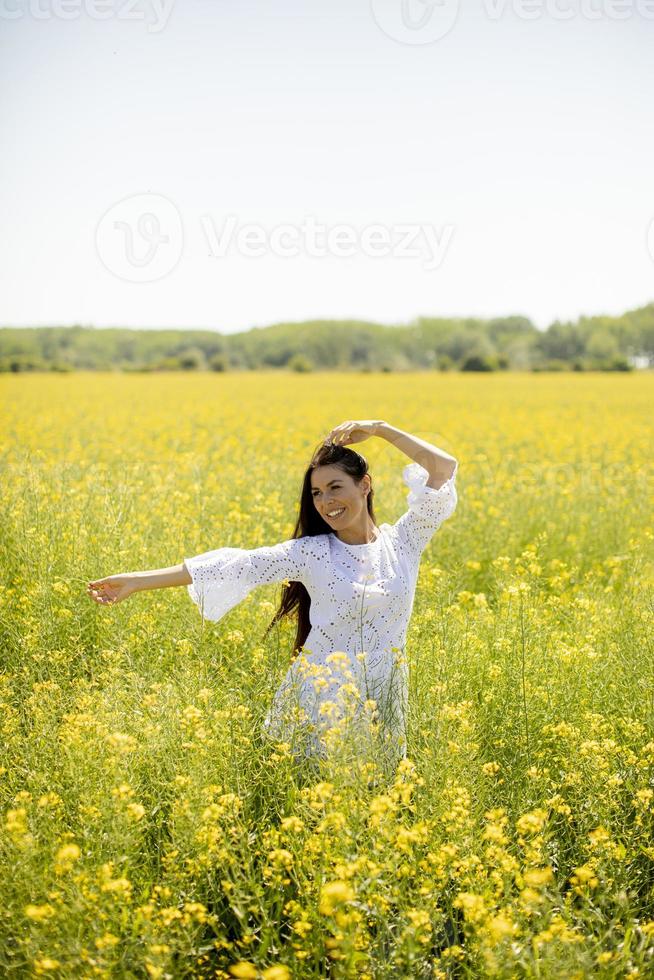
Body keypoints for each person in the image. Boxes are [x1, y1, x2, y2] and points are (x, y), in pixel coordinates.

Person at [87, 419, 459, 772]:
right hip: (322, 697)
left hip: (385, 696)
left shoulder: (403, 542)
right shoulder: (313, 552)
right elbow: (237, 565)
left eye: (335, 487)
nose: (325, 502)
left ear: (364, 485)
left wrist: (380, 429)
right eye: (316, 492)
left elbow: (443, 467)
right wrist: (136, 580)